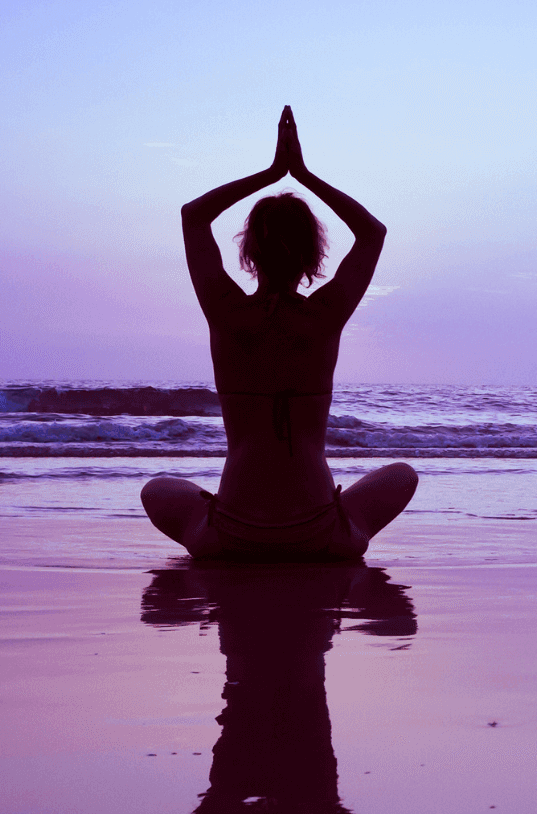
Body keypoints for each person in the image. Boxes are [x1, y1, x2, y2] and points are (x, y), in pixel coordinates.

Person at [140, 107, 416, 560]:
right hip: (319, 537)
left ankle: (223, 521)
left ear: (249, 252)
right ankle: (339, 524)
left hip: (230, 537)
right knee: (402, 474)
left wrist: (271, 174)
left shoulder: (227, 313)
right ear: (313, 254)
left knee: (157, 489)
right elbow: (372, 233)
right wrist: (302, 175)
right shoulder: (324, 316)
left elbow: (193, 216)